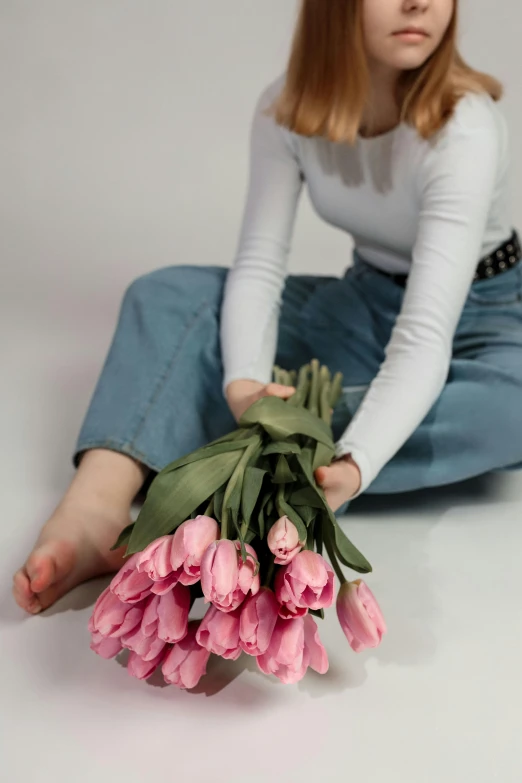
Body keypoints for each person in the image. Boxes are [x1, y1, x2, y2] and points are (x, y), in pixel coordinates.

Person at [13, 0, 522, 615]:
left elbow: (425, 334)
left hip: (489, 313)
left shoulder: (465, 126)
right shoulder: (287, 108)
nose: (419, 2)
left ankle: (247, 440)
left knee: (508, 406)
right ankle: (96, 505)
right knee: (167, 294)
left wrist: (357, 463)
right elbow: (259, 264)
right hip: (364, 298)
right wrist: (242, 383)